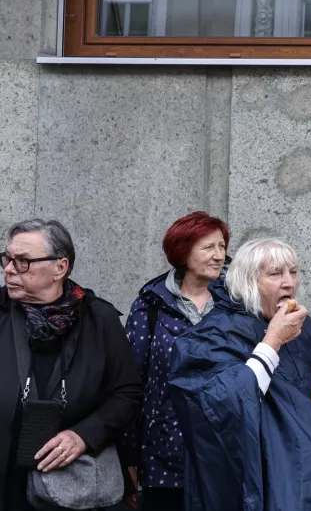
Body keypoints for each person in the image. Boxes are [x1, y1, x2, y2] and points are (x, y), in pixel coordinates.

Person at [167, 237, 311, 511]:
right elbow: (221, 407)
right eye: (275, 274)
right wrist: (272, 341)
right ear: (248, 281)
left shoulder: (302, 329)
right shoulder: (213, 336)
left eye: (293, 272)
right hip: (265, 491)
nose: (289, 283)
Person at [0, 219, 142, 510]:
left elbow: (128, 393)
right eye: (7, 258)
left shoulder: (99, 318)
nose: (9, 269)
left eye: (23, 261)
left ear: (60, 268)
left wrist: (83, 435)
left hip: (74, 482)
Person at [120, 211, 230, 510]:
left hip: (228, 453)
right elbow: (132, 384)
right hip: (164, 456)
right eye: (209, 247)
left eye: (222, 246)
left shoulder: (238, 302)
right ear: (183, 251)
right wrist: (128, 457)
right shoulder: (151, 304)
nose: (219, 255)